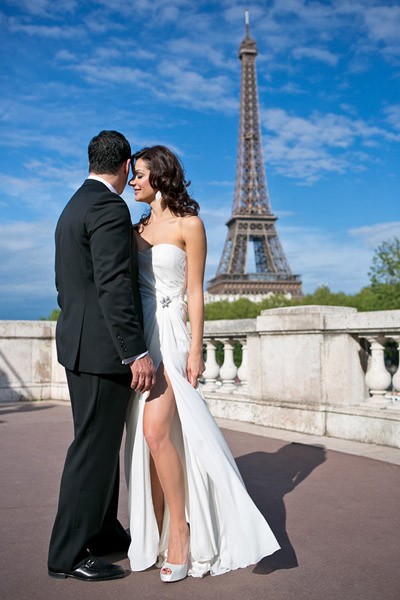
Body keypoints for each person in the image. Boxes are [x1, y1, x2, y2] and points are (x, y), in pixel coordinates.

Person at [125, 145, 280, 583]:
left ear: (160, 174)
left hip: (173, 337)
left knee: (155, 433)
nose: (133, 181)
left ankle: (182, 535)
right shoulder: (135, 229)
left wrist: (196, 348)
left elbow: (195, 291)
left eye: (138, 174)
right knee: (152, 440)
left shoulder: (190, 225)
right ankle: (156, 535)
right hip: (143, 341)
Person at [48, 130, 156, 582]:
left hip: (78, 346)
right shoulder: (110, 209)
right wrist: (136, 353)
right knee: (92, 451)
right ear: (127, 164)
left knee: (101, 447)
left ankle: (105, 532)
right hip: (103, 351)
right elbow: (114, 287)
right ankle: (67, 555)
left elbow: (67, 285)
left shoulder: (73, 206)